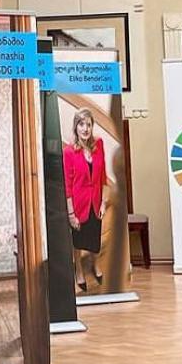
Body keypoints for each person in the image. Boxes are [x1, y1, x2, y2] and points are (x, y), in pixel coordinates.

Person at [63, 106, 111, 292]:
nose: (85, 128)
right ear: (76, 127)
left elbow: (103, 178)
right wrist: (71, 214)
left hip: (96, 202)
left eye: (88, 124)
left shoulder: (98, 146)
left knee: (94, 239)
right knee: (78, 242)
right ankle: (79, 270)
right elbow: (68, 185)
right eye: (81, 124)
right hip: (78, 205)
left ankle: (95, 265)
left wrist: (103, 203)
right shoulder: (69, 152)